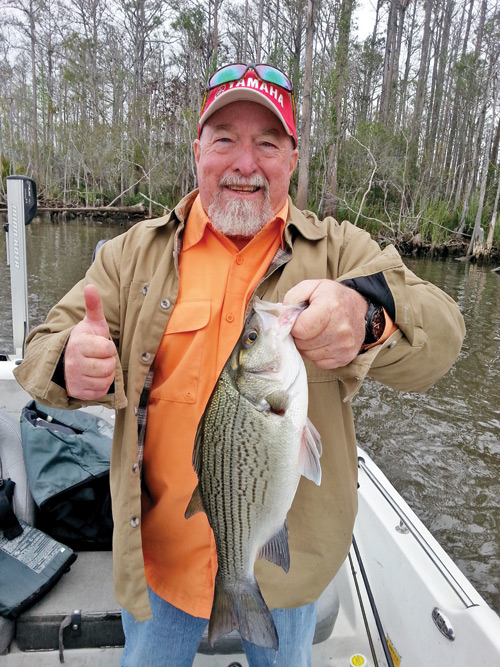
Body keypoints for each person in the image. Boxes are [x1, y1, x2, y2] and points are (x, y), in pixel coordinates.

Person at [14, 62, 465, 666]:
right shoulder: (132, 255)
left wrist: (369, 314)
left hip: (285, 568)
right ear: (197, 148)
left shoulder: (339, 251)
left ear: (293, 158)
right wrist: (69, 363)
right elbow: (43, 344)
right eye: (225, 138)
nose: (245, 164)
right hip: (157, 563)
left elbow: (444, 333)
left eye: (268, 143)